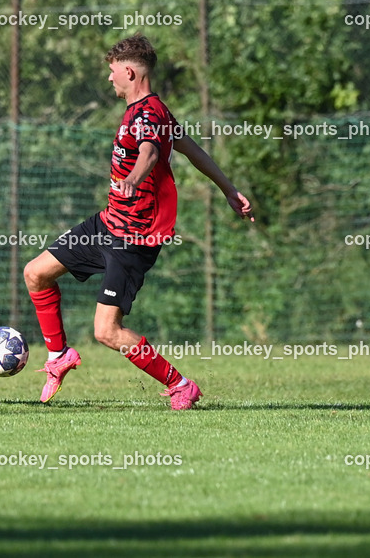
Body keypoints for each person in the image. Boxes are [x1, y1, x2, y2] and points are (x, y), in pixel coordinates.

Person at [23, 34, 254, 409]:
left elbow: (148, 153)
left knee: (107, 331)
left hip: (134, 239)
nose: (109, 78)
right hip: (107, 224)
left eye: (113, 71)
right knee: (36, 273)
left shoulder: (147, 115)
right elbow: (192, 149)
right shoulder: (153, 111)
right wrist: (229, 189)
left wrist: (133, 178)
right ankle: (59, 356)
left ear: (129, 72)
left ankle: (181, 385)